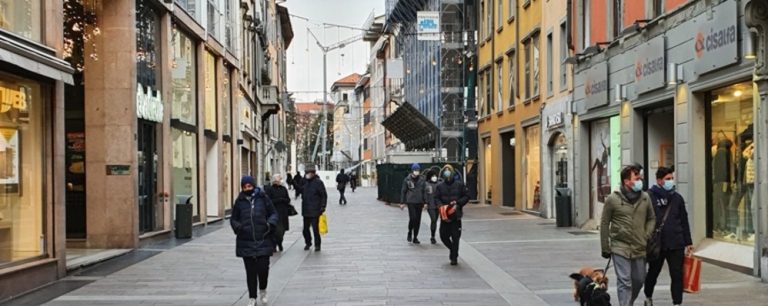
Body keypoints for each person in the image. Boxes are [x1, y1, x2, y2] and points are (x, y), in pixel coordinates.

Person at [600, 164, 656, 306]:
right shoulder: (613, 199)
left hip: (639, 245)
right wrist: (605, 247)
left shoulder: (645, 198)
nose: (640, 181)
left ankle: (628, 302)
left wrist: (647, 234)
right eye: (636, 178)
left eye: (640, 178)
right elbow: (605, 223)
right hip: (620, 246)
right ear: (626, 181)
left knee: (639, 280)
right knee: (624, 281)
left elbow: (651, 218)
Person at [643, 167, 693, 306]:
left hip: (676, 242)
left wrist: (688, 241)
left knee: (677, 275)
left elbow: (684, 220)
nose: (671, 181)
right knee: (653, 272)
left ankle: (677, 302)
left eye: (671, 178)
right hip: (657, 243)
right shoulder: (649, 197)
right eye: (667, 179)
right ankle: (648, 296)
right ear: (659, 180)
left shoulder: (677, 198)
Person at [230, 176, 278, 306]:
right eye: (244, 187)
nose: (247, 189)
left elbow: (274, 213)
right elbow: (233, 218)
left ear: (253, 185)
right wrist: (238, 227)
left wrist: (269, 224)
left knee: (263, 269)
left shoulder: (263, 198)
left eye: (249, 186)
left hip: (263, 239)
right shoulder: (239, 201)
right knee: (250, 271)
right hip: (246, 240)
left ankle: (263, 289)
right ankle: (252, 297)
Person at [434, 164, 469, 265]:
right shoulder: (440, 186)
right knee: (443, 236)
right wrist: (441, 206)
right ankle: (453, 250)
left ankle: (454, 257)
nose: (447, 172)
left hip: (456, 216)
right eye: (445, 170)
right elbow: (436, 198)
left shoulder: (459, 185)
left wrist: (458, 203)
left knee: (455, 237)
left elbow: (466, 196)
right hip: (445, 216)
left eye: (449, 170)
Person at [264, 174, 292, 252]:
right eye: (279, 179)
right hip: (274, 213)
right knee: (275, 231)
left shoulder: (283, 189)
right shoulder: (269, 189)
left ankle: (279, 242)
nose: (280, 180)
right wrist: (279, 200)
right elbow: (268, 201)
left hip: (283, 213)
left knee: (282, 231)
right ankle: (274, 245)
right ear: (275, 181)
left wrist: (284, 200)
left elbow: (288, 199)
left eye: (280, 179)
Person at [302, 165, 327, 251]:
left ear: (313, 173)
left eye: (308, 173)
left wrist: (323, 206)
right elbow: (300, 189)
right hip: (306, 210)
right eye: (306, 173)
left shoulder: (318, 182)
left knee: (315, 229)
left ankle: (317, 245)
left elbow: (323, 195)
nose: (306, 174)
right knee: (305, 230)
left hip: (315, 210)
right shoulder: (305, 182)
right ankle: (308, 242)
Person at [400, 163, 427, 244]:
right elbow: (403, 191)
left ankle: (415, 237)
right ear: (412, 171)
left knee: (418, 220)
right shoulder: (407, 179)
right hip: (411, 201)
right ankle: (409, 232)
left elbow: (425, 191)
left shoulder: (422, 180)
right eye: (415, 170)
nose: (417, 172)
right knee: (413, 218)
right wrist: (402, 202)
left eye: (418, 170)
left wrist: (425, 202)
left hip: (419, 201)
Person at [425, 168, 441, 244]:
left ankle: (433, 236)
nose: (434, 177)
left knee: (435, 220)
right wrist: (425, 202)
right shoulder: (426, 184)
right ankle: (432, 236)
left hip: (438, 205)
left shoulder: (439, 184)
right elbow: (425, 194)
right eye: (433, 176)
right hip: (430, 205)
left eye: (435, 175)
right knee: (433, 219)